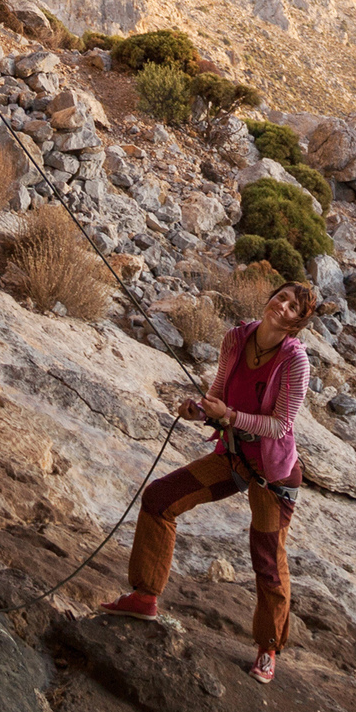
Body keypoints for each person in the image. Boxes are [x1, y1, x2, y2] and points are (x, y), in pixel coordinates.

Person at [101, 280, 319, 684]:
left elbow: (280, 425)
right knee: (160, 498)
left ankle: (268, 647)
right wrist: (198, 410)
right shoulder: (237, 337)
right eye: (281, 298)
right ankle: (145, 596)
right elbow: (217, 395)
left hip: (272, 473)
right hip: (233, 457)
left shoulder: (295, 360)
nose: (283, 307)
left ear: (297, 324)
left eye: (293, 308)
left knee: (267, 558)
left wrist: (231, 417)